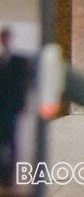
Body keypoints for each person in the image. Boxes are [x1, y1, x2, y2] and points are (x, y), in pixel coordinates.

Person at [0, 27, 32, 190]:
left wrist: (22, 104)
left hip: (11, 108)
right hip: (2, 107)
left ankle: (10, 174)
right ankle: (3, 174)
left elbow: (23, 86)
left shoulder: (19, 60)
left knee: (11, 141)